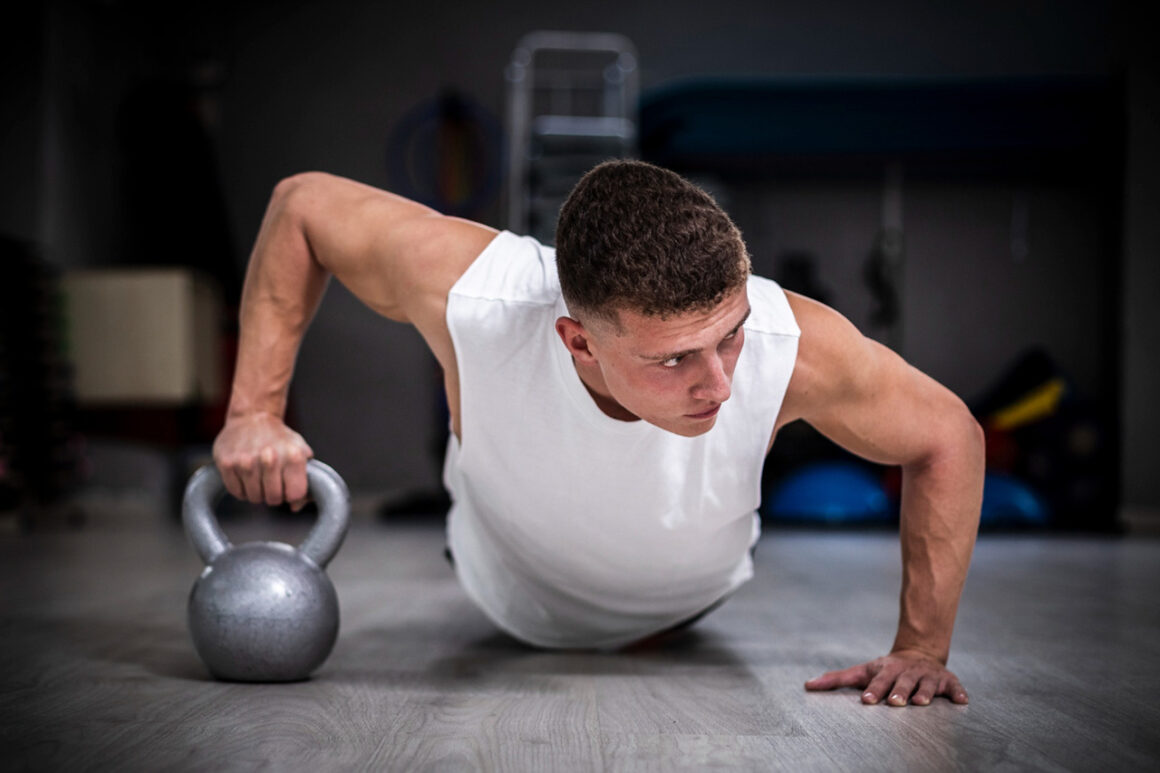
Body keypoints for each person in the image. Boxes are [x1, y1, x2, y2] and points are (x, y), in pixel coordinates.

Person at [213, 160, 984, 707]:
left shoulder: (793, 345)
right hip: (502, 592)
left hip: (686, 610)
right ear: (578, 341)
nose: (720, 383)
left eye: (729, 337)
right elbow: (302, 205)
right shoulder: (477, 296)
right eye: (675, 358)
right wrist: (253, 411)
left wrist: (921, 647)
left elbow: (948, 434)